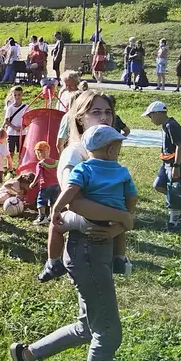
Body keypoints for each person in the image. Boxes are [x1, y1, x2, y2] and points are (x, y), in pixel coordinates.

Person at [10, 125, 138, 361]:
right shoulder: (78, 166)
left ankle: (27, 356)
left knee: (86, 327)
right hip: (88, 252)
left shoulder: (110, 172)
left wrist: (121, 224)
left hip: (99, 250)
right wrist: (122, 219)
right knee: (108, 333)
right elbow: (71, 206)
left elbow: (127, 208)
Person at [38, 92, 136, 283]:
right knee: (98, 304)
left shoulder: (102, 151)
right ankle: (52, 261)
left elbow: (127, 193)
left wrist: (119, 226)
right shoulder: (74, 154)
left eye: (108, 112)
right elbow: (74, 202)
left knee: (96, 305)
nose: (104, 118)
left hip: (100, 238)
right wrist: (123, 218)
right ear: (80, 119)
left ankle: (54, 262)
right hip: (85, 242)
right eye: (96, 112)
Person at [142, 100, 181, 233]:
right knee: (158, 185)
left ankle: (174, 223)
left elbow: (180, 146)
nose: (150, 119)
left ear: (157, 113)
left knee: (174, 189)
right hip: (167, 162)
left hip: (176, 163)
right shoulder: (165, 125)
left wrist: (176, 166)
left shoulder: (172, 125)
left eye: (150, 116)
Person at [30, 140, 60, 225]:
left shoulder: (41, 163)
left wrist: (33, 183)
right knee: (53, 202)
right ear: (48, 152)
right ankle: (52, 216)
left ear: (39, 153)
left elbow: (38, 175)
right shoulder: (56, 162)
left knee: (41, 201)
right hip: (56, 185)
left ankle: (42, 217)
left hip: (45, 186)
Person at [2, 86, 28, 171]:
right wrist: (14, 127)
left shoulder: (26, 107)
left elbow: (29, 119)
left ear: (22, 95)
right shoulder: (10, 108)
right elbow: (6, 120)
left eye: (19, 95)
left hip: (22, 133)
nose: (17, 97)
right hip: (12, 133)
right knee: (10, 151)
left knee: (21, 151)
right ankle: (9, 167)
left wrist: (23, 127)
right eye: (15, 95)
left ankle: (20, 167)